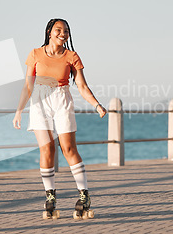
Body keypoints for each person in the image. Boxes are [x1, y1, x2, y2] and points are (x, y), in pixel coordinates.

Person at [13, 18, 107, 219]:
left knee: (68, 148)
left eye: (66, 31)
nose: (62, 34)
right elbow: (28, 85)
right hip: (39, 100)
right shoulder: (35, 54)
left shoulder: (71, 56)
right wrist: (19, 110)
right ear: (49, 32)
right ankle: (50, 198)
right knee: (47, 148)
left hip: (61, 98)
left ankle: (84, 196)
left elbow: (82, 85)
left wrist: (96, 104)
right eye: (58, 30)